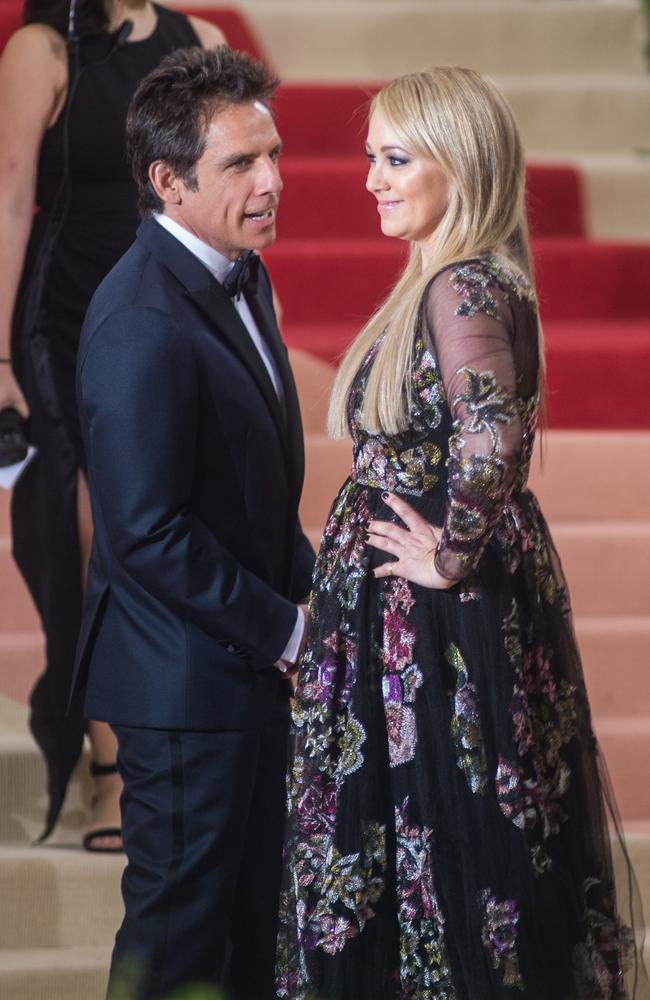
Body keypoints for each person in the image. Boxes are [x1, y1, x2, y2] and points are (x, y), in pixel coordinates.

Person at [276, 67, 648, 999]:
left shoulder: (464, 283)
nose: (372, 180)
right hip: (420, 617)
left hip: (433, 630)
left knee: (447, 857)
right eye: (372, 158)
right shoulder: (448, 280)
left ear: (463, 164)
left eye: (397, 159)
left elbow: (492, 434)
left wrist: (446, 556)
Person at [70, 44, 315, 1000]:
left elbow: (254, 498)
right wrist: (288, 630)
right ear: (169, 182)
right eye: (242, 165)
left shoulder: (237, 272)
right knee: (177, 939)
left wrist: (312, 592)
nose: (274, 181)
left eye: (275, 154)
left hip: (241, 671)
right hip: (182, 689)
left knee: (257, 928)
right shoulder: (140, 317)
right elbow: (145, 534)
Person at [0, 0, 225, 850]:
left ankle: (179, 747)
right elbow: (9, 201)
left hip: (168, 322)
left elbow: (226, 188)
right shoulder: (40, 48)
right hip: (62, 323)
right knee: (92, 538)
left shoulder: (197, 42)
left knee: (183, 528)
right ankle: (108, 767)